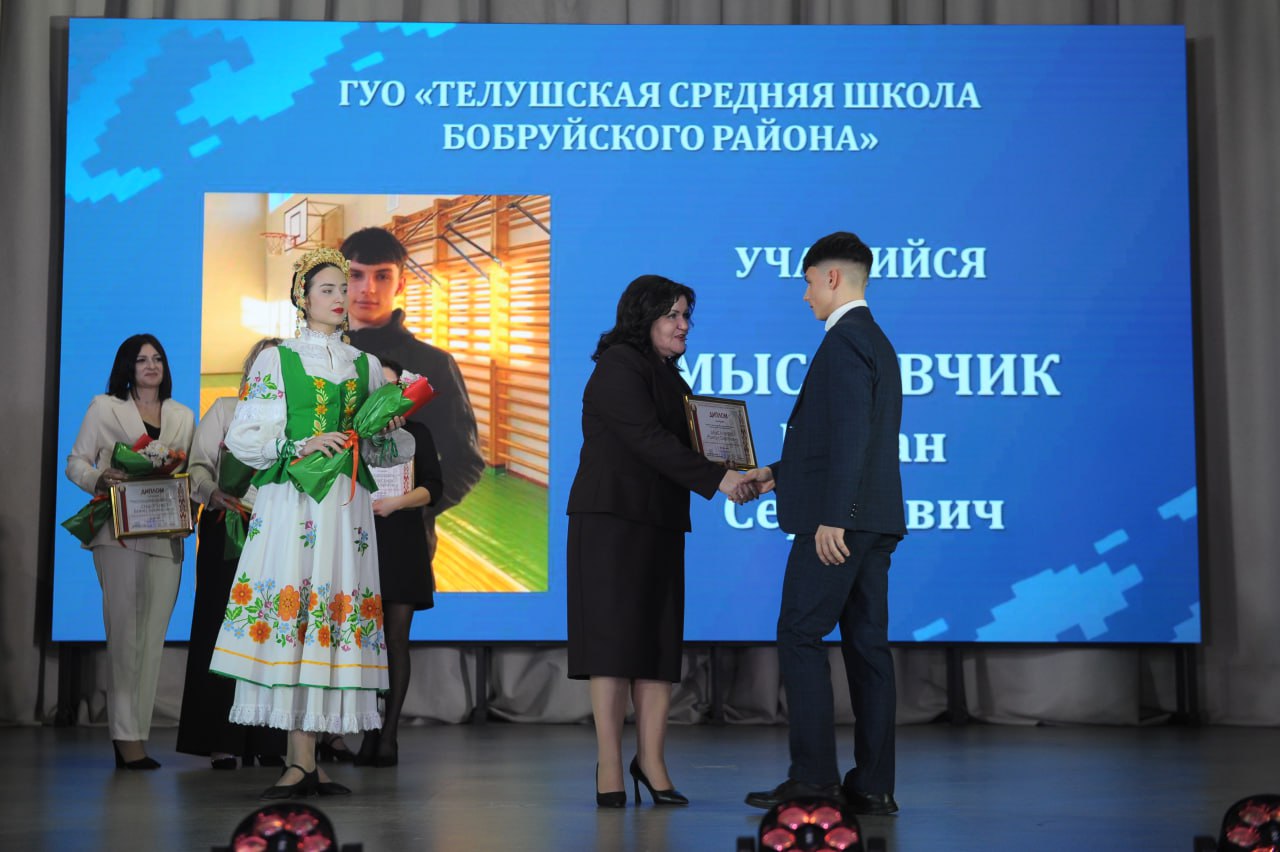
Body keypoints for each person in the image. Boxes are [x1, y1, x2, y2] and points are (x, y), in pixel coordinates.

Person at [208, 247, 415, 798]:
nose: (341, 297)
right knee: (297, 609)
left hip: (346, 508)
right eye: (328, 289)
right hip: (293, 503)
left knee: (330, 615)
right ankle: (297, 759)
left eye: (343, 288)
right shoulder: (278, 360)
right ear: (302, 298)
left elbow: (385, 451)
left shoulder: (364, 364)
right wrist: (298, 443)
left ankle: (312, 759)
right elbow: (244, 436)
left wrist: (384, 426)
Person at [566, 275, 755, 808]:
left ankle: (651, 761)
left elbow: (691, 447)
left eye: (687, 315)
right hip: (610, 521)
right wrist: (722, 480)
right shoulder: (618, 367)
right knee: (611, 645)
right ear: (642, 317)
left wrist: (743, 471)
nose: (684, 325)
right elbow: (646, 440)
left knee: (657, 642)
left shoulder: (672, 377)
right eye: (673, 315)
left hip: (661, 520)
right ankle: (609, 763)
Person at [742, 232, 906, 816]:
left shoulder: (843, 342)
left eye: (809, 282)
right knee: (867, 647)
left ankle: (813, 779)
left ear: (832, 277)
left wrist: (834, 516)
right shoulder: (875, 340)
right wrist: (776, 473)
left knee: (800, 634)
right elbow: (840, 439)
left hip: (841, 523)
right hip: (876, 520)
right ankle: (874, 786)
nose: (806, 295)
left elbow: (852, 436)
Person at [65, 333, 195, 769]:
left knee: (152, 640)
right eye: (141, 360)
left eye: (158, 358)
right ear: (127, 366)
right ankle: (125, 739)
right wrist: (99, 479)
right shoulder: (105, 407)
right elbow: (76, 463)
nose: (151, 366)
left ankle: (137, 733)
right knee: (124, 636)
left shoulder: (182, 415)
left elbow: (189, 473)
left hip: (165, 534)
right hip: (118, 534)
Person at [176, 337, 287, 769]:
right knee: (219, 631)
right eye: (266, 363)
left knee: (273, 633)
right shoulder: (225, 409)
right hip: (228, 527)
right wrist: (213, 492)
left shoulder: (297, 419)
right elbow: (198, 467)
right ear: (251, 369)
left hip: (277, 533)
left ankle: (270, 739)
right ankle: (220, 739)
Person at [342, 227, 484, 556]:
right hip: (322, 540)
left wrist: (410, 508)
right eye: (356, 275)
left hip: (403, 547)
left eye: (382, 276)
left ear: (400, 284)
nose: (368, 288)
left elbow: (465, 462)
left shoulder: (434, 365)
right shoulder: (310, 358)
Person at [354, 358, 444, 768]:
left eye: (393, 387)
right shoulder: (355, 435)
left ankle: (389, 734)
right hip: (361, 545)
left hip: (403, 545)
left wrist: (396, 503)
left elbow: (434, 488)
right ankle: (368, 732)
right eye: (378, 387)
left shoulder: (418, 433)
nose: (385, 395)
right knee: (365, 644)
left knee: (395, 641)